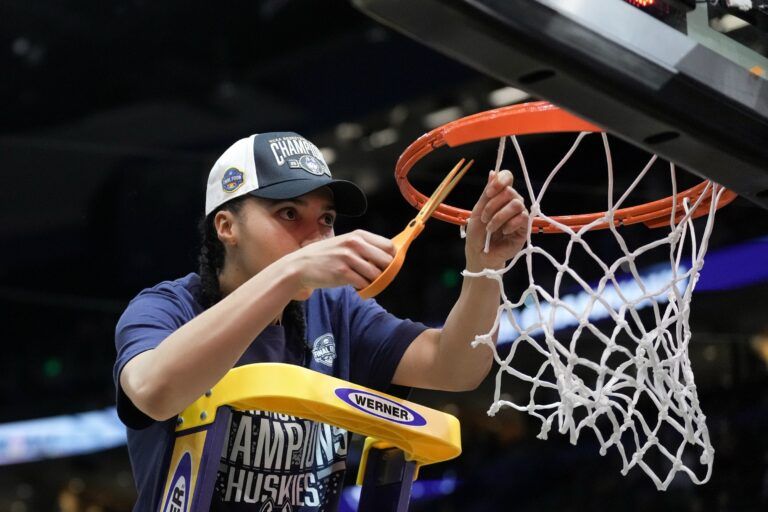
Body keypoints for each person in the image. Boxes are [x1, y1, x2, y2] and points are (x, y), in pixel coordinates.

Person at [113, 132, 528, 511]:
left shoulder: (335, 309)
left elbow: (456, 367)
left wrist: (485, 268)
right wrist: (292, 271)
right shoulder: (165, 307)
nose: (316, 236)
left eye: (326, 220)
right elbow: (153, 392)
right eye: (290, 214)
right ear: (226, 226)